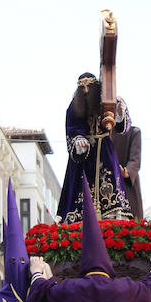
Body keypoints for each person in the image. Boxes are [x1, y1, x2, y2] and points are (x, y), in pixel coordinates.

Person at [56, 73, 133, 223]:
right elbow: (71, 130)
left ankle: (112, 220)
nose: (85, 91)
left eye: (88, 87)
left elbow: (122, 128)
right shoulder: (73, 107)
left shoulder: (107, 102)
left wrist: (119, 114)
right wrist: (78, 141)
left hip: (105, 153)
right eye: (82, 88)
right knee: (80, 188)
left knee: (110, 188)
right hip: (84, 156)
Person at [110, 97, 143, 219]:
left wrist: (127, 172)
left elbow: (135, 159)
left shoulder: (134, 132)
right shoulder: (103, 134)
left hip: (126, 183)